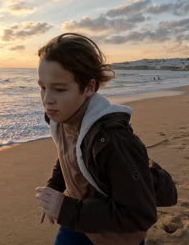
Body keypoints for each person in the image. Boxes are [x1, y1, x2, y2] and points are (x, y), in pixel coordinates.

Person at [35, 33, 157, 245]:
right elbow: (70, 156)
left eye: (59, 89)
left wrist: (65, 208)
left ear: (89, 88)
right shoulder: (62, 118)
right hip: (78, 219)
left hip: (115, 235)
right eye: (42, 87)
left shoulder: (113, 140)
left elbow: (140, 214)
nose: (47, 100)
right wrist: (55, 186)